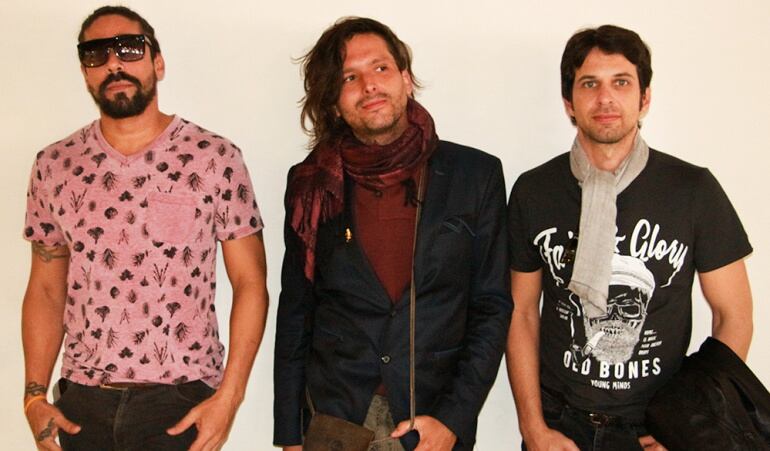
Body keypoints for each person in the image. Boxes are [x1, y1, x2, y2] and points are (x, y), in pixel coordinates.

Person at [21, 6, 268, 450]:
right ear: (85, 73)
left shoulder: (213, 158)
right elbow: (45, 288)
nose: (114, 63)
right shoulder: (55, 166)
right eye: (96, 54)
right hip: (82, 405)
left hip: (180, 403)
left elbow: (251, 282)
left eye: (130, 49)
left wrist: (229, 398)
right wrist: (34, 396)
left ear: (158, 62)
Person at [506, 24, 754, 451]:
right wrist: (533, 428)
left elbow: (734, 315)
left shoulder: (693, 190)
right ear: (569, 103)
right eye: (590, 84)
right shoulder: (535, 190)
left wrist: (691, 424)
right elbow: (521, 312)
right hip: (559, 425)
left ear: (645, 98)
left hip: (656, 428)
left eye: (621, 82)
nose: (605, 98)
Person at [273, 17, 512, 451]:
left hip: (431, 422)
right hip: (333, 420)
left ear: (405, 78)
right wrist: (290, 432)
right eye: (349, 77)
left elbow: (492, 307)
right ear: (333, 102)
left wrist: (454, 418)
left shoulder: (475, 175)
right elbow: (296, 309)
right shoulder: (312, 184)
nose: (369, 85)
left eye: (380, 68)